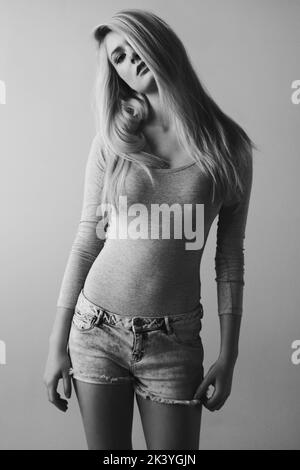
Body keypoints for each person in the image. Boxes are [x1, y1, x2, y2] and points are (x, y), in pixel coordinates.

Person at [43, 8, 254, 450]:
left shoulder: (227, 147)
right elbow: (88, 240)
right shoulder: (114, 140)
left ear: (160, 42)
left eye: (133, 45)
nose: (129, 60)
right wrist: (56, 345)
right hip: (95, 329)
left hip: (174, 341)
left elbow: (229, 260)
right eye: (117, 56)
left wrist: (229, 356)